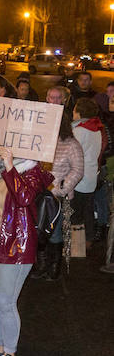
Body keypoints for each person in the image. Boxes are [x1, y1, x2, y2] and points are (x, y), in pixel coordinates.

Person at [0, 147, 53, 356]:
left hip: (15, 244)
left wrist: (10, 166)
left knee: (5, 301)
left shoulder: (32, 169)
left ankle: (10, 354)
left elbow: (24, 197)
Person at [34, 112, 83, 281]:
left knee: (54, 233)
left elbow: (77, 170)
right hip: (38, 194)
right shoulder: (40, 141)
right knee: (39, 229)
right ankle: (41, 265)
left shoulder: (71, 144)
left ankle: (54, 268)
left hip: (57, 197)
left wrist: (62, 188)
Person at [71, 98, 103, 250]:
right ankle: (88, 240)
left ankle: (77, 247)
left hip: (79, 178)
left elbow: (72, 155)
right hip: (91, 176)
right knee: (88, 210)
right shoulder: (96, 130)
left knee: (76, 213)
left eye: (74, 109)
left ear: (79, 112)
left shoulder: (79, 131)